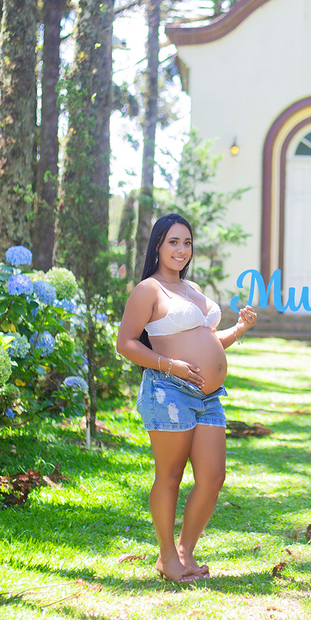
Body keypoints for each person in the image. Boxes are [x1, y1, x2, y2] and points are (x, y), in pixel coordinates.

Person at [116, 212, 257, 582]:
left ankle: (184, 553)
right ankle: (167, 558)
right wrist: (169, 365)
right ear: (158, 246)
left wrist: (238, 329)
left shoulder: (191, 289)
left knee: (212, 477)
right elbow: (125, 343)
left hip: (208, 396)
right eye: (173, 242)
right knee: (171, 475)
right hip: (169, 391)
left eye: (187, 242)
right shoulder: (149, 289)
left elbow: (208, 340)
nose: (181, 249)